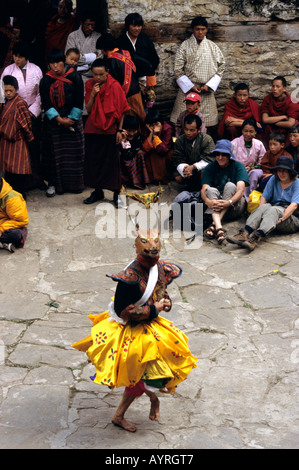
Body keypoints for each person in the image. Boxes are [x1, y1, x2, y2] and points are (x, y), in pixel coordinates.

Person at [72, 227, 197, 432]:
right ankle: (127, 412)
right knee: (141, 373)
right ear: (138, 247)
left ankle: (132, 408)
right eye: (147, 243)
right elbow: (124, 312)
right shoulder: (129, 278)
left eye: (155, 243)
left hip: (150, 326)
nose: (152, 247)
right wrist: (156, 309)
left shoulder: (162, 268)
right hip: (130, 329)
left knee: (154, 371)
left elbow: (161, 292)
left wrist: (166, 302)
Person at [83, 58, 130, 207]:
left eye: (100, 74)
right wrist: (93, 95)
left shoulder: (115, 86)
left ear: (107, 72)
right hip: (93, 128)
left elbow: (122, 110)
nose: (97, 77)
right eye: (95, 74)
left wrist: (120, 130)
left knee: (112, 163)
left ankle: (117, 194)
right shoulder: (90, 85)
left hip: (110, 129)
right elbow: (89, 109)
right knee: (94, 161)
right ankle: (98, 191)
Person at [227, 156, 299, 251]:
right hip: (272, 215)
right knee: (266, 206)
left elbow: (294, 205)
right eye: (279, 170)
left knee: (274, 209)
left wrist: (281, 219)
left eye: (284, 171)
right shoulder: (273, 179)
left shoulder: (296, 183)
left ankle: (257, 237)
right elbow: (264, 197)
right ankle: (245, 232)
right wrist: (261, 215)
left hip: (290, 219)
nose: (281, 173)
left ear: (290, 171)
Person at [170, 16, 225, 139]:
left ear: (206, 30)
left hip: (206, 91)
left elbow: (221, 66)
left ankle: (204, 148)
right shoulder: (185, 46)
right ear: (192, 30)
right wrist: (190, 86)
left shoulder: (212, 46)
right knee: (182, 122)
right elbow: (178, 69)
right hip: (188, 90)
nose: (200, 32)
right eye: (197, 29)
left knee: (208, 126)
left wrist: (209, 85)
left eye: (203, 29)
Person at [39, 48, 85, 197]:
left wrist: (70, 119)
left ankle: (76, 185)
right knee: (53, 154)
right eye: (52, 63)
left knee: (74, 153)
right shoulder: (46, 80)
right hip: (54, 122)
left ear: (63, 62)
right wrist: (58, 119)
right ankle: (53, 184)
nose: (55, 67)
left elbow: (79, 99)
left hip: (73, 120)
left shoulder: (75, 77)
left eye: (58, 62)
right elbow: (45, 102)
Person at [1, 41, 44, 190]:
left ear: (26, 57)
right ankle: (16, 184)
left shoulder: (36, 70)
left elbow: (40, 93)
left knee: (34, 146)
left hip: (33, 114)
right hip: (14, 116)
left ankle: (36, 179)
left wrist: (33, 111)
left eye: (20, 57)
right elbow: (2, 95)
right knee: (15, 151)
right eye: (15, 56)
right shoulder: (8, 71)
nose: (16, 59)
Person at [201, 139, 249, 245]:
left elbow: (241, 190)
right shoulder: (210, 167)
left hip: (234, 206)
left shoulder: (238, 166)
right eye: (217, 154)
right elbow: (204, 189)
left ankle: (213, 225)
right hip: (215, 205)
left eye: (224, 154)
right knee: (210, 190)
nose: (220, 157)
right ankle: (218, 228)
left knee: (231, 185)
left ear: (229, 155)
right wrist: (207, 201)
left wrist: (229, 202)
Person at [97, 32, 146, 124]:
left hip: (124, 98)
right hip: (136, 94)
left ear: (104, 50)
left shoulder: (109, 62)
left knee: (127, 124)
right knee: (141, 121)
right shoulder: (127, 53)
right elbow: (148, 66)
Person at [0, 75, 34, 199]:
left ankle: (20, 197)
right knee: (8, 172)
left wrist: (29, 138)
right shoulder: (4, 102)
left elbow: (26, 123)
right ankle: (10, 198)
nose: (8, 93)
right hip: (5, 142)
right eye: (6, 91)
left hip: (18, 141)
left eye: (11, 91)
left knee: (19, 171)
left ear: (16, 89)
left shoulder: (20, 103)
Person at [117, 13, 160, 108]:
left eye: (139, 26)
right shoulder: (121, 41)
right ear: (128, 26)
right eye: (134, 25)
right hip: (127, 79)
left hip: (144, 78)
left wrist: (149, 77)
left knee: (144, 105)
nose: (137, 28)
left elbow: (155, 59)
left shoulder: (145, 40)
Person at [172, 114, 215, 194]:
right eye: (186, 129)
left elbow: (210, 159)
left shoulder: (207, 140)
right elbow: (177, 158)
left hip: (201, 168)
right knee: (178, 178)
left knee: (204, 174)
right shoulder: (180, 140)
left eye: (192, 130)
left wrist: (194, 167)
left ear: (199, 129)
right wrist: (184, 168)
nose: (188, 133)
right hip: (188, 168)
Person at [231, 118, 266, 201]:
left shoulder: (259, 144)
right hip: (237, 170)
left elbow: (263, 162)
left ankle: (250, 198)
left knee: (254, 173)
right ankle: (240, 198)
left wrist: (252, 168)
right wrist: (241, 169)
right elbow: (229, 161)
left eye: (251, 131)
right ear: (242, 131)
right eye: (245, 131)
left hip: (252, 170)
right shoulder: (233, 143)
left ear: (255, 133)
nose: (248, 134)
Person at [261, 76, 297, 147]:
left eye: (278, 87)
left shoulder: (291, 102)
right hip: (271, 128)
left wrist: (272, 121)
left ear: (284, 89)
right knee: (267, 127)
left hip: (285, 129)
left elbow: (290, 123)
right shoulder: (267, 99)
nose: (274, 89)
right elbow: (265, 119)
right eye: (273, 86)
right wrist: (283, 117)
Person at [64, 13, 102, 82]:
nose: (90, 28)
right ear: (81, 23)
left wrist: (79, 58)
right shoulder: (72, 36)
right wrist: (92, 56)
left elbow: (100, 57)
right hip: (75, 75)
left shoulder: (98, 36)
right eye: (87, 25)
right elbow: (70, 59)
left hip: (93, 76)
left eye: (92, 25)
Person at [142, 109, 173, 184]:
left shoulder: (168, 128)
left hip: (165, 152)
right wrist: (151, 134)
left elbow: (164, 149)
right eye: (152, 125)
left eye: (157, 124)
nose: (154, 127)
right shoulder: (148, 130)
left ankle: (163, 178)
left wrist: (155, 136)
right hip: (153, 151)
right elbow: (146, 149)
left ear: (161, 123)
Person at [119, 115, 150, 189]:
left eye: (134, 130)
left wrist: (126, 143)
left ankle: (137, 181)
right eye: (129, 130)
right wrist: (123, 141)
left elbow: (129, 156)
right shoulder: (119, 137)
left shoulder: (138, 137)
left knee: (141, 153)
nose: (132, 133)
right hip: (122, 164)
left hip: (133, 163)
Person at [0, 176, 29, 253]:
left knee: (15, 235)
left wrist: (1, 229)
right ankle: (3, 244)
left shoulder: (13, 198)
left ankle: (3, 242)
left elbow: (22, 221)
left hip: (11, 226)